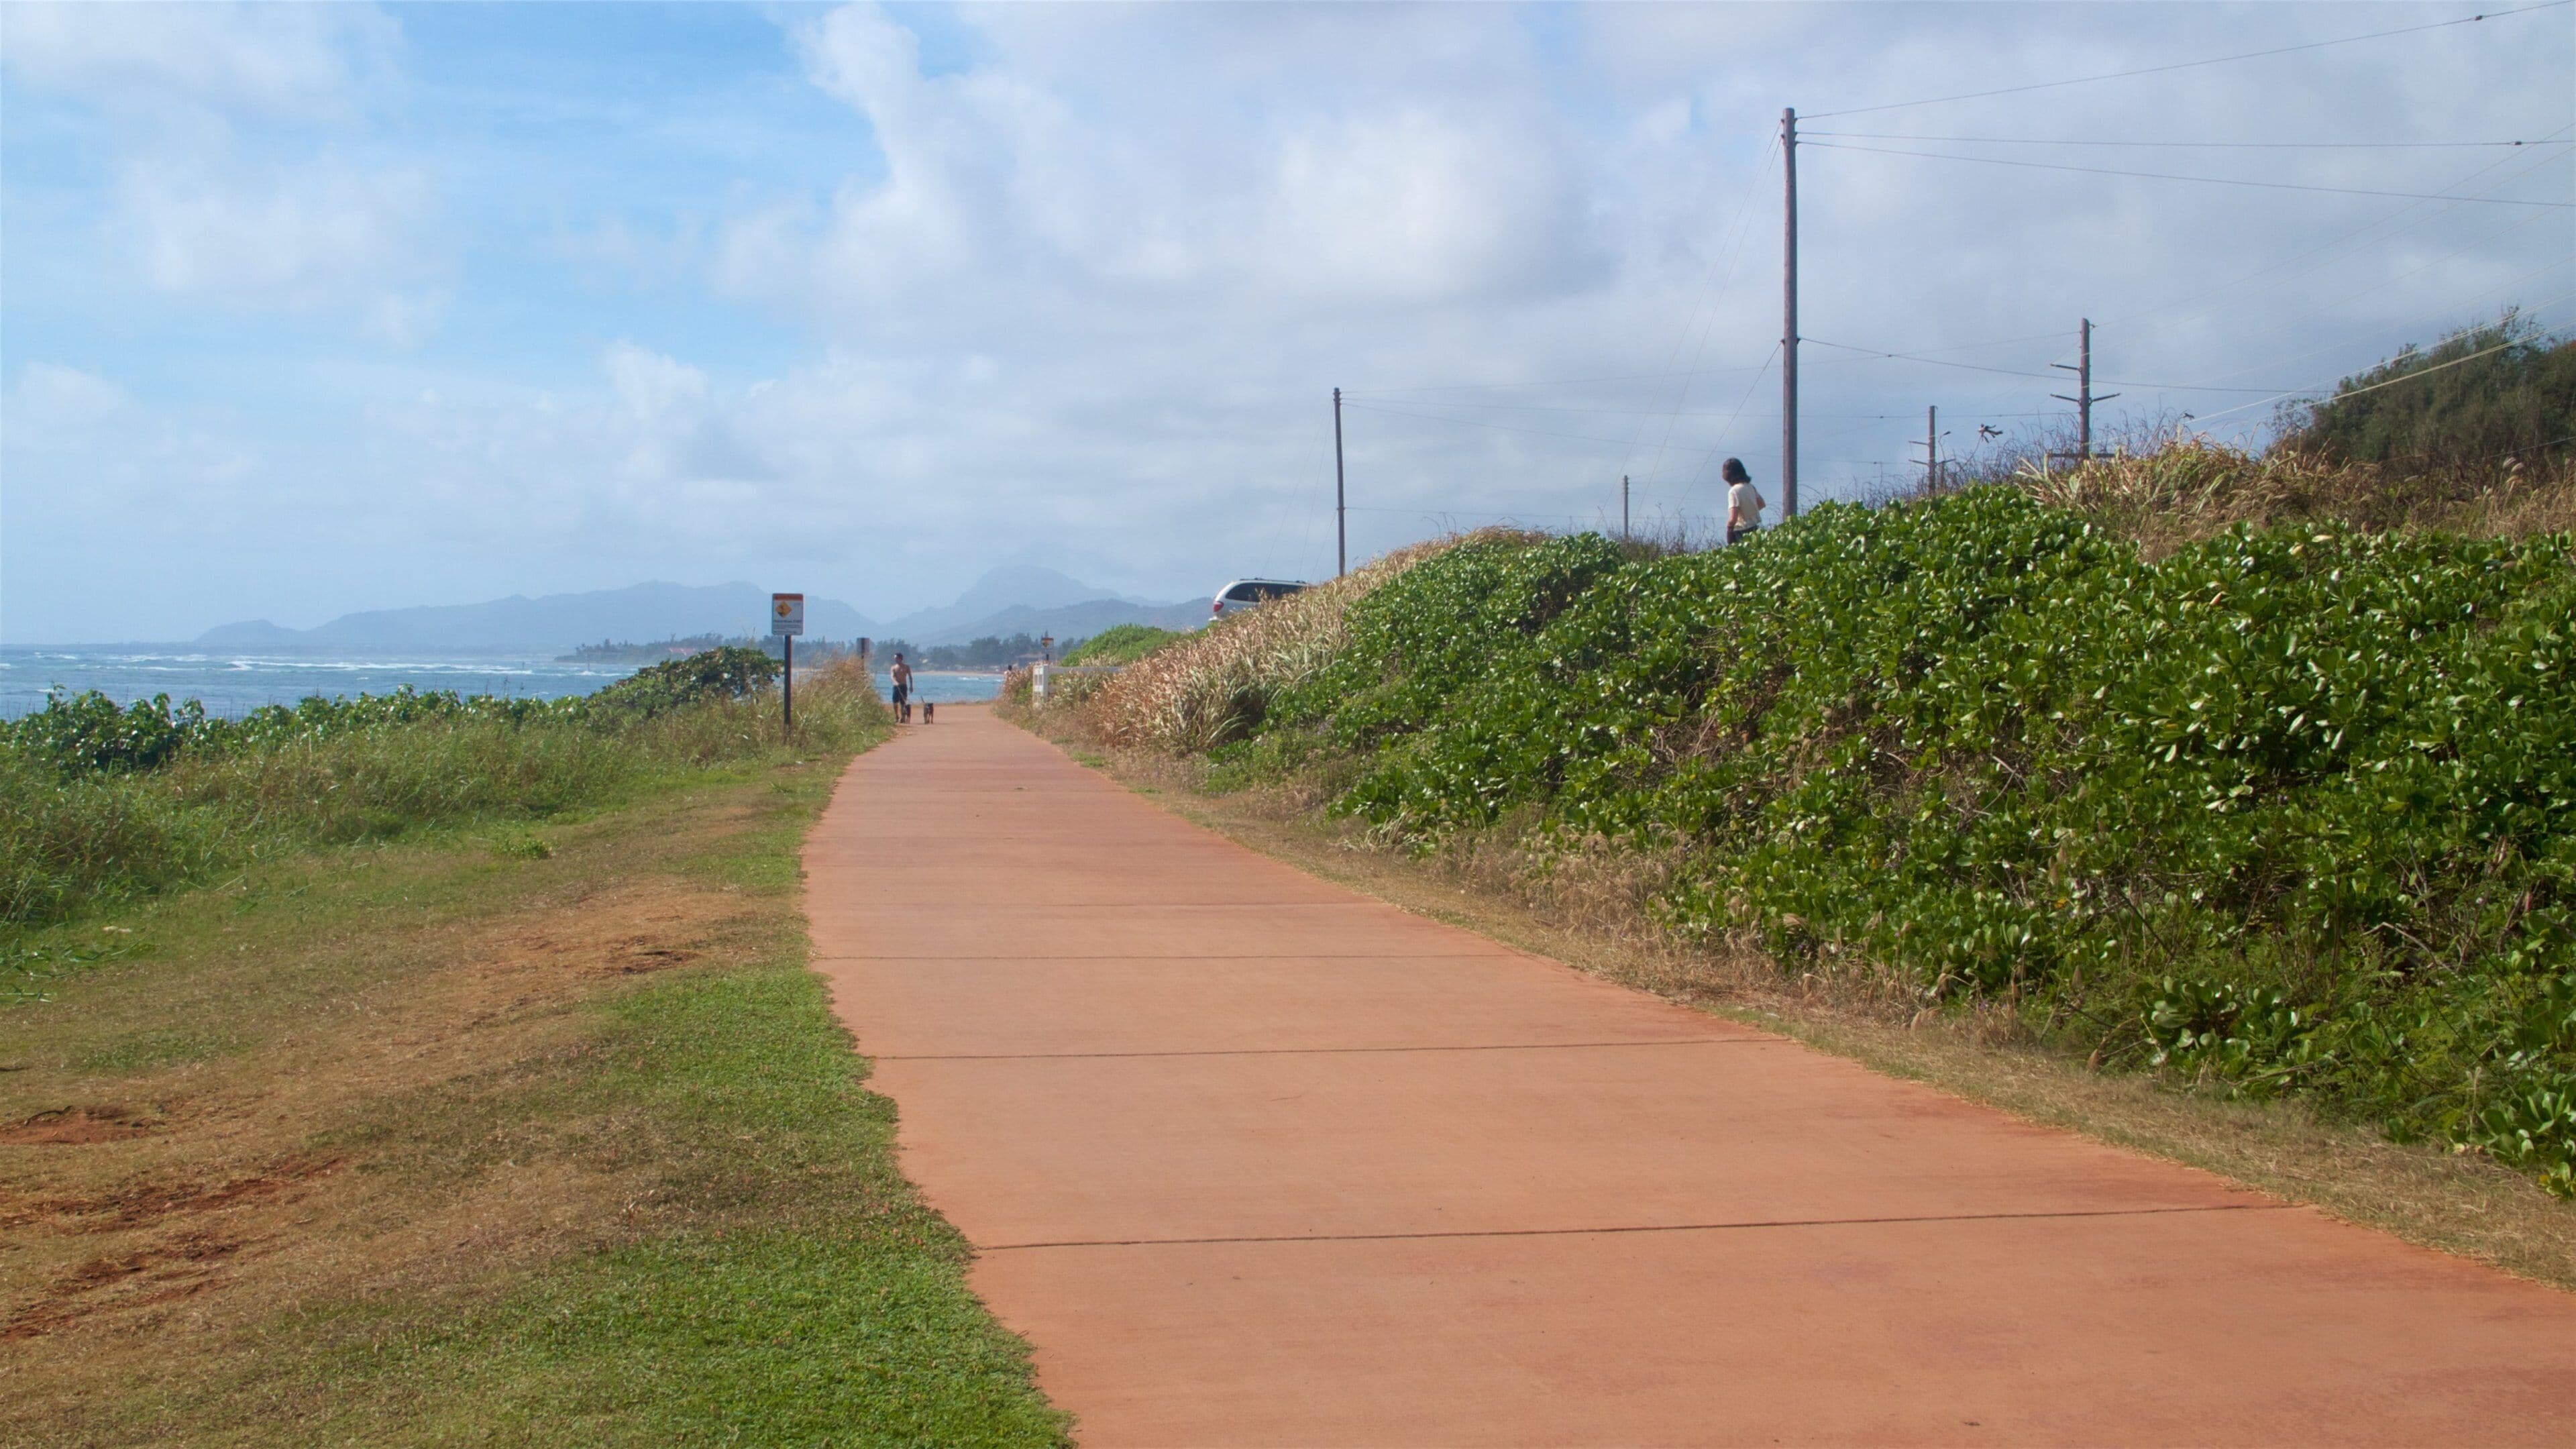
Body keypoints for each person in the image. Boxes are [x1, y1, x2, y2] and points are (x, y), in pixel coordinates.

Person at [1723, 458, 1766, 546]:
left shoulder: (1734, 491)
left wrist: (1729, 530)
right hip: (1755, 528)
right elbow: (1761, 504)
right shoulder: (1750, 487)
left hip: (1741, 532)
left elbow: (1733, 518)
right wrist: (1750, 511)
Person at [890, 651, 914, 724]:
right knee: (895, 703)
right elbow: (892, 676)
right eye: (895, 658)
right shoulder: (893, 667)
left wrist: (911, 686)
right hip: (896, 687)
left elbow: (910, 676)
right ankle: (896, 716)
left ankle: (903, 717)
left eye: (897, 658)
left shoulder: (906, 667)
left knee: (903, 703)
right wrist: (895, 682)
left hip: (903, 686)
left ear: (901, 659)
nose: (896, 660)